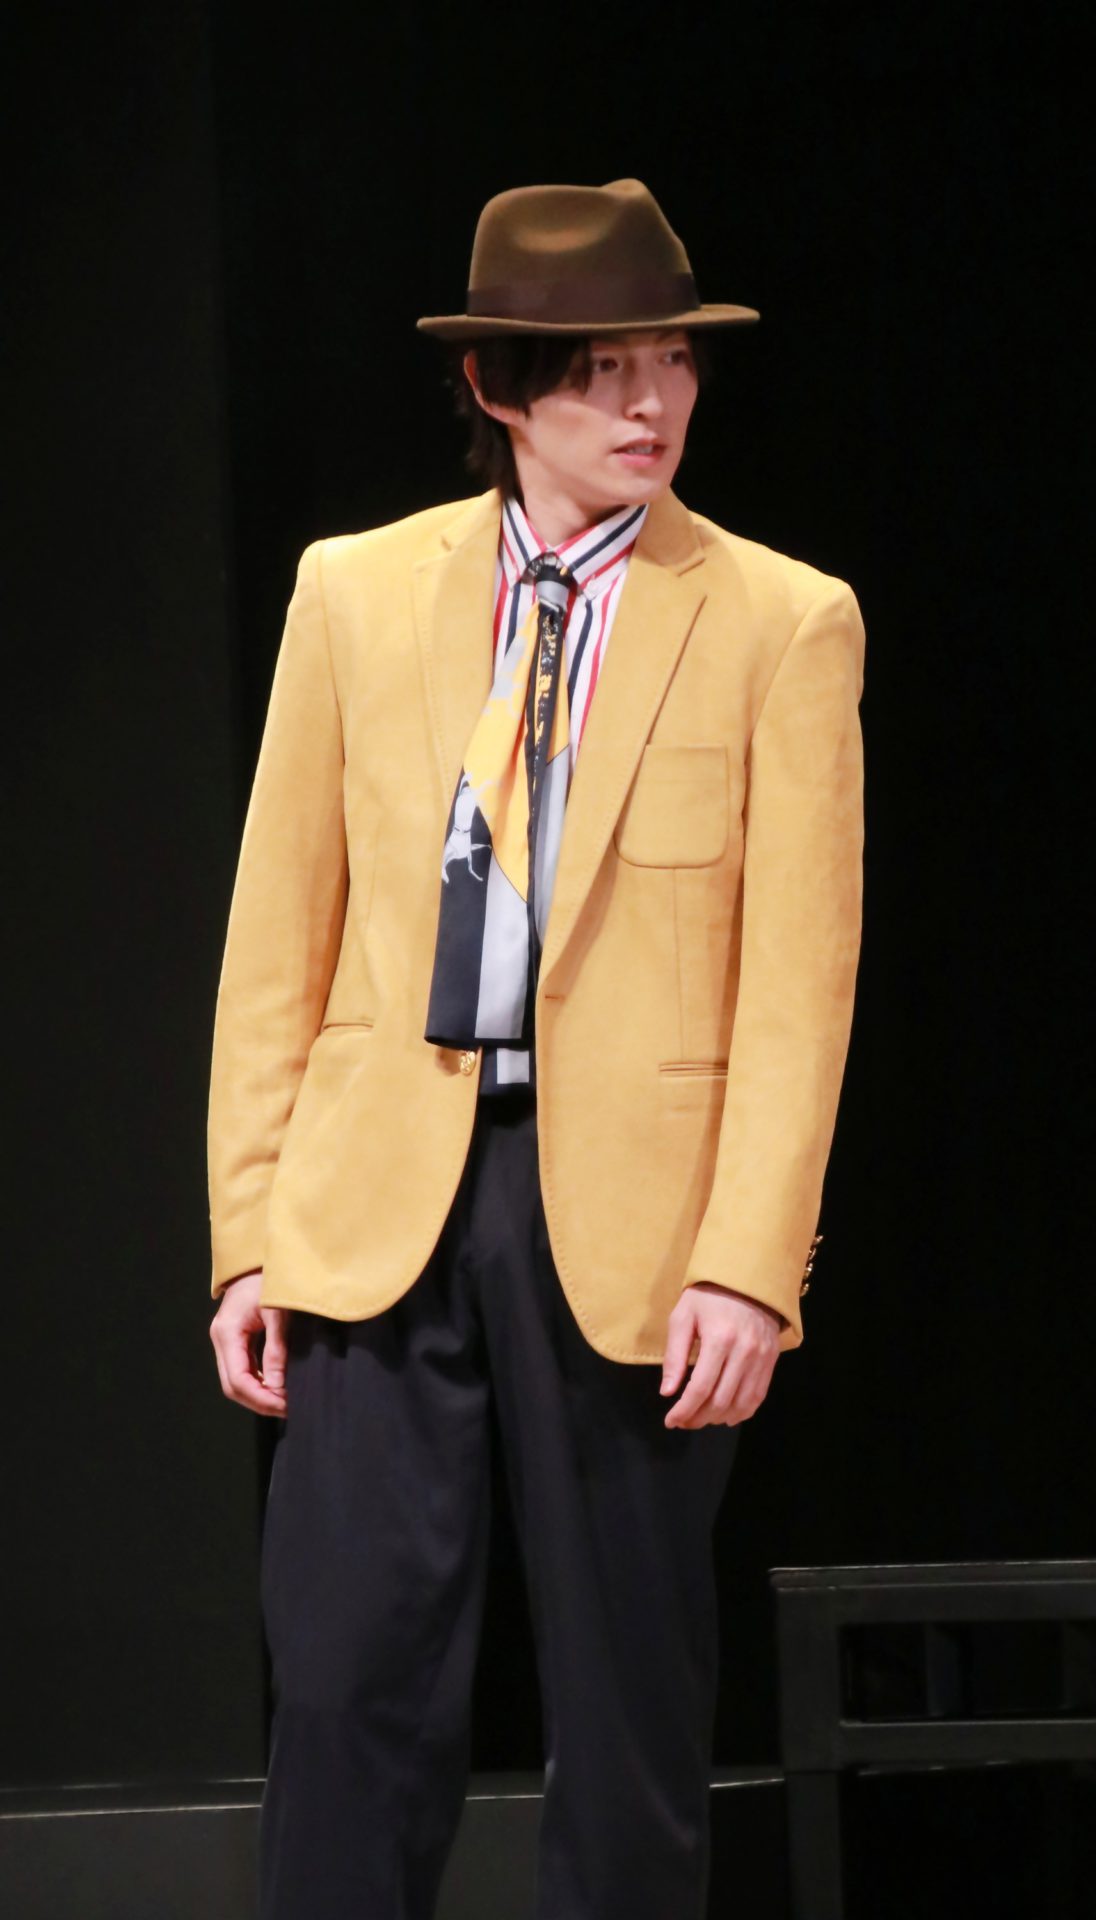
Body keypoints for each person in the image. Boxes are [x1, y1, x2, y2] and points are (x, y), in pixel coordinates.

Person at [207, 177, 866, 1920]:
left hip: (633, 1221)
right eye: (602, 371)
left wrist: (751, 1263)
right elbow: (278, 939)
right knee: (344, 1694)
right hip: (379, 1197)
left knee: (629, 1717)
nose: (651, 405)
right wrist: (249, 1233)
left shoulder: (780, 618)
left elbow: (799, 986)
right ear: (498, 387)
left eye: (673, 363)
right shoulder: (354, 594)